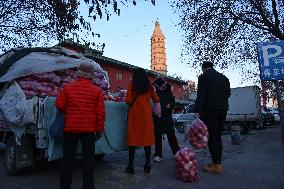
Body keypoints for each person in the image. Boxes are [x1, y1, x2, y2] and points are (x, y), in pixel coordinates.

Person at [55, 62, 105, 189]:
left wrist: (70, 110)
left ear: (79, 73)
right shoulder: (97, 90)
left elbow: (59, 104)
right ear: (91, 76)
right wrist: (99, 130)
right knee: (88, 160)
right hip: (88, 130)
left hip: (70, 128)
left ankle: (65, 186)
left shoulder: (68, 87)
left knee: (68, 160)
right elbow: (100, 113)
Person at [193, 61, 230, 174]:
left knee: (211, 136)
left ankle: (216, 164)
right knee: (218, 135)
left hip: (210, 110)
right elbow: (228, 93)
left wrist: (197, 110)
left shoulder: (204, 77)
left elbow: (201, 94)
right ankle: (218, 162)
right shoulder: (224, 78)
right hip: (223, 109)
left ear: (204, 68)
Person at [125, 68, 160, 174]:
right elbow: (156, 99)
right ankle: (147, 164)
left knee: (133, 140)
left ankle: (131, 166)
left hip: (135, 115)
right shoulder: (149, 86)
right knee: (147, 139)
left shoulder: (132, 85)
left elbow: (128, 100)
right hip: (146, 116)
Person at [152, 77, 180, 162]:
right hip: (157, 116)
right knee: (158, 136)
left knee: (171, 135)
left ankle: (177, 153)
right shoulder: (154, 89)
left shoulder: (168, 89)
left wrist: (170, 104)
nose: (161, 86)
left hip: (167, 116)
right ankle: (158, 154)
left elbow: (172, 101)